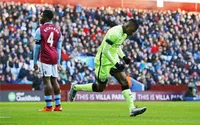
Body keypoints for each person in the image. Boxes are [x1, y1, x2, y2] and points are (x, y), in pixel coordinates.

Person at [69, 19, 146, 117]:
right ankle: (76, 87)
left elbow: (116, 46)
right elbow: (105, 51)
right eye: (132, 31)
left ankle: (132, 109)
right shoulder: (114, 32)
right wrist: (116, 63)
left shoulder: (124, 34)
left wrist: (123, 57)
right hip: (103, 61)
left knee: (124, 82)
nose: (132, 33)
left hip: (113, 58)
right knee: (100, 88)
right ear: (127, 26)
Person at [33, 10, 62, 112]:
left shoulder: (40, 30)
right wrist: (59, 62)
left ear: (45, 17)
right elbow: (59, 48)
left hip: (45, 57)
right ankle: (58, 105)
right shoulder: (58, 30)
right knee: (54, 80)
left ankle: (49, 106)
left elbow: (36, 48)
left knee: (46, 80)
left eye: (41, 16)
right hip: (54, 57)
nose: (40, 18)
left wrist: (34, 62)